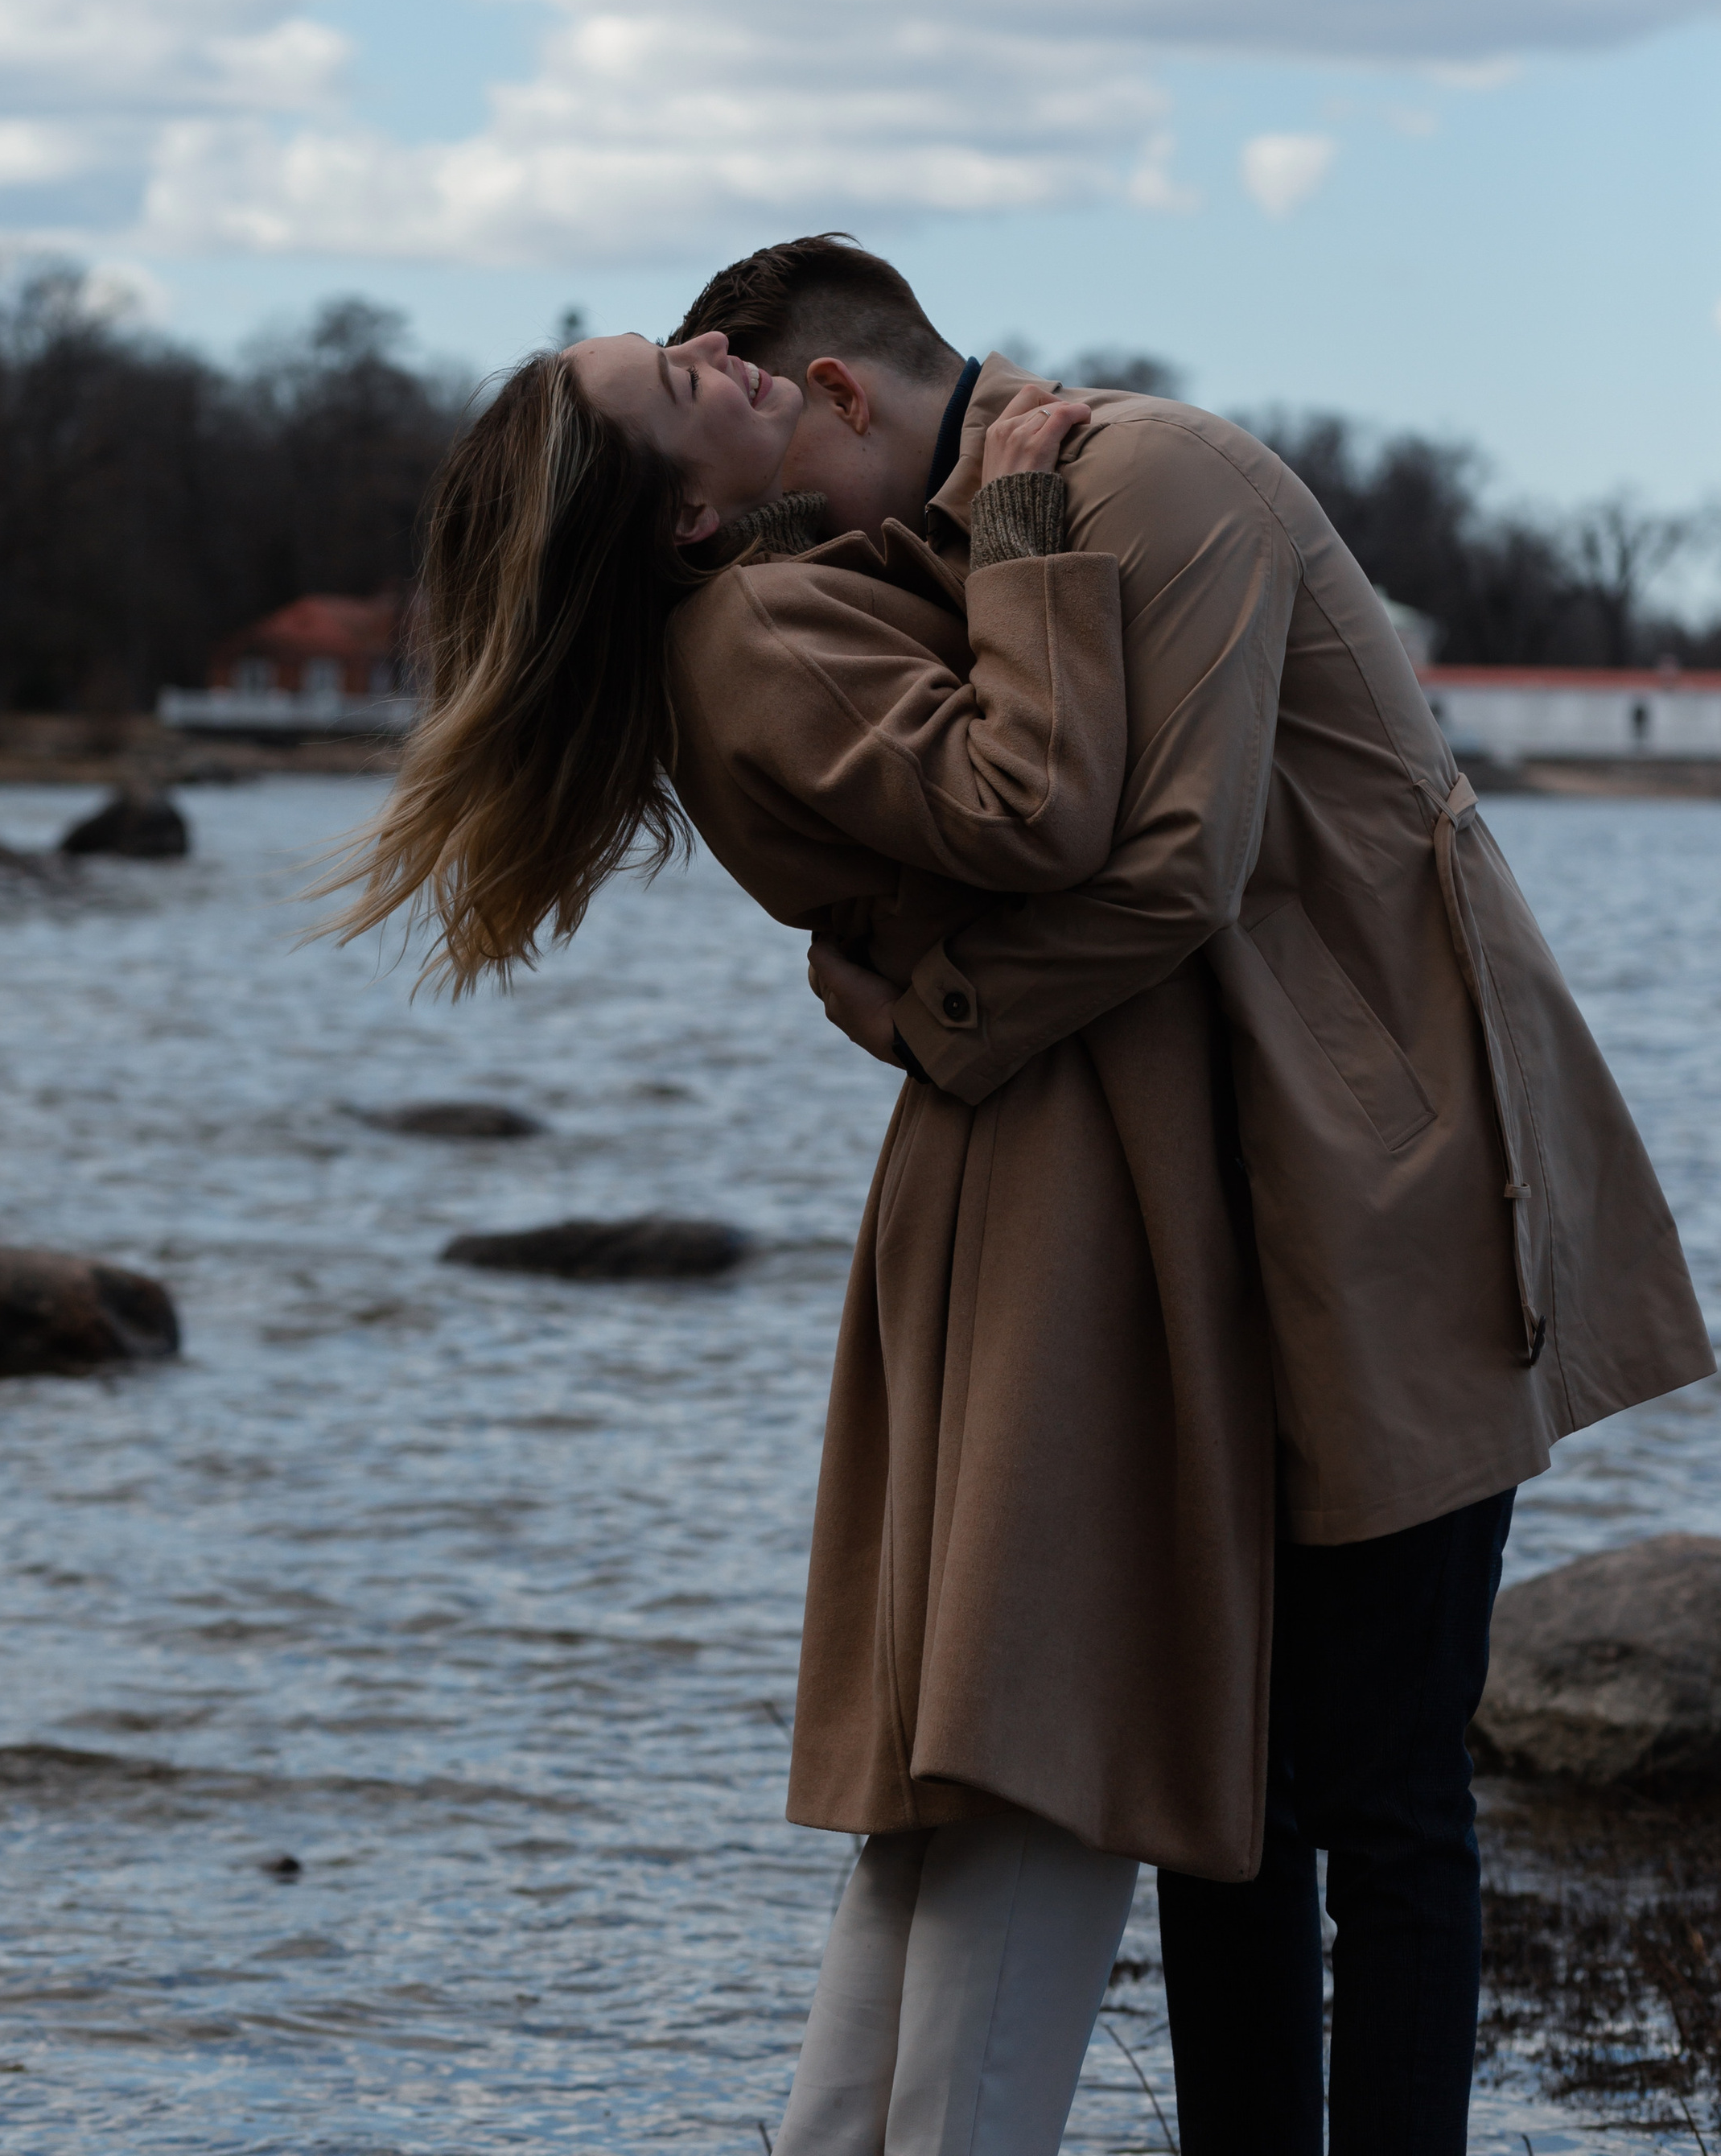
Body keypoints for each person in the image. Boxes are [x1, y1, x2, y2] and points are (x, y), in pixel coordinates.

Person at [665, 232, 1715, 2156]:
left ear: (830, 392)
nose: (766, 548)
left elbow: (1167, 871)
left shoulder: (1157, 479)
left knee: (1382, 1788)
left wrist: (926, 1011)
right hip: (1216, 1205)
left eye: (777, 490)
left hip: (1396, 1184)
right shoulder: (981, 533)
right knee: (1225, 1797)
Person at [326, 316, 1183, 2154]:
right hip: (1050, 1210)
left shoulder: (741, 618)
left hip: (1005, 1190)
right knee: (1031, 1769)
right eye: (676, 386)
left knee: (957, 1803)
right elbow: (1040, 807)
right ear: (684, 524)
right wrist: (1031, 531)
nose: (721, 345)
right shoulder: (754, 634)